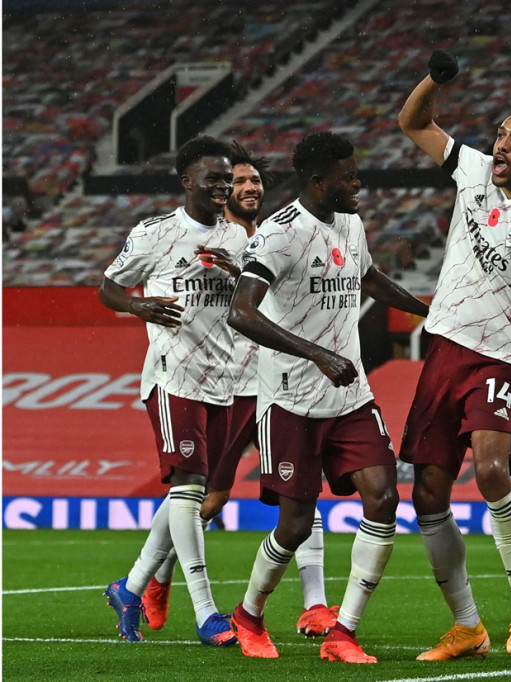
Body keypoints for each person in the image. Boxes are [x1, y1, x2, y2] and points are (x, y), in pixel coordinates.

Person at [397, 50, 511, 660]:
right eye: (501, 133)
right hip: (444, 347)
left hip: (498, 358)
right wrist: (437, 81)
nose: (502, 145)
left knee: (494, 473)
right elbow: (414, 123)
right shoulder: (472, 170)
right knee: (428, 492)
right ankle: (469, 625)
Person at [226, 131, 430, 663]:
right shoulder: (280, 234)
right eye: (348, 176)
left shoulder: (351, 223)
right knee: (293, 526)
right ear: (319, 183)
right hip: (292, 400)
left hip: (351, 395)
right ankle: (248, 614)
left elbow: (370, 279)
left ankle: (344, 633)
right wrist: (315, 353)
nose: (357, 182)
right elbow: (241, 313)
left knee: (383, 499)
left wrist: (431, 313)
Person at [141, 143, 340, 638]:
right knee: (208, 498)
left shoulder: (271, 237)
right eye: (239, 182)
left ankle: (315, 603)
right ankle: (156, 578)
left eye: (254, 183)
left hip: (277, 383)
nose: (248, 189)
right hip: (225, 383)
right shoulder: (202, 241)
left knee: (302, 490)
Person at [98, 135, 245, 646]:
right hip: (171, 373)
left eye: (228, 178)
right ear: (187, 181)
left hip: (222, 378)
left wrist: (242, 272)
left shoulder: (238, 240)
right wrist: (137, 307)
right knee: (190, 483)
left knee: (191, 490)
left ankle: (131, 586)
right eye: (213, 178)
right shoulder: (157, 233)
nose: (223, 186)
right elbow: (108, 286)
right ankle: (206, 612)